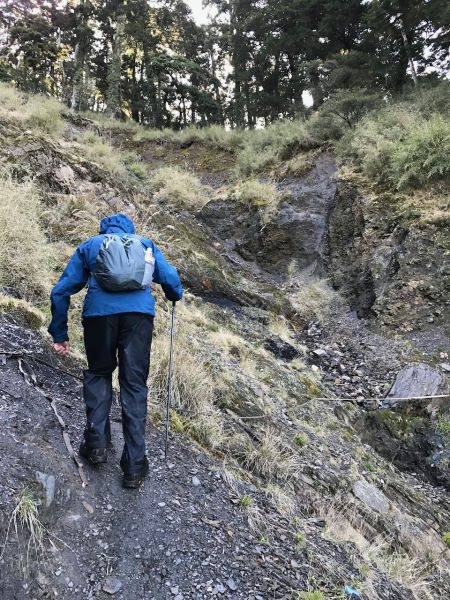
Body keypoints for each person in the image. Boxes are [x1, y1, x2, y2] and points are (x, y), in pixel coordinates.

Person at [48, 213, 182, 488]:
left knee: (98, 373)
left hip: (99, 316)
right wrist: (174, 295)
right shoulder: (145, 244)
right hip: (139, 318)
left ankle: (96, 444)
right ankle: (133, 466)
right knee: (133, 385)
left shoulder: (91, 245)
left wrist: (60, 334)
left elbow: (60, 292)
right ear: (130, 230)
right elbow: (169, 277)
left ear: (104, 229)